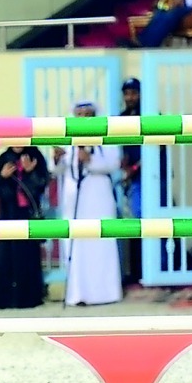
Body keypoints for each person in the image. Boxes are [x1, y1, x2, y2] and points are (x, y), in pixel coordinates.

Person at [51, 102, 122, 306]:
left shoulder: (106, 136)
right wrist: (57, 159)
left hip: (98, 197)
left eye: (87, 114)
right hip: (74, 200)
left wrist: (90, 159)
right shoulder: (67, 139)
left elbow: (114, 163)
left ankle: (105, 294)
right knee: (76, 242)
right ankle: (78, 294)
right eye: (79, 114)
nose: (83, 118)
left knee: (101, 241)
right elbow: (56, 171)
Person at [0, 145, 50, 309]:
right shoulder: (4, 158)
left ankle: (29, 299)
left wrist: (30, 172)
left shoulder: (35, 155)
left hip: (28, 215)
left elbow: (41, 184)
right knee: (4, 256)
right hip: (8, 214)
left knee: (28, 256)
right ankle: (5, 299)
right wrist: (3, 176)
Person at [118, 78, 142, 287]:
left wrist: (134, 169)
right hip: (130, 182)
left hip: (151, 179)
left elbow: (156, 149)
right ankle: (135, 273)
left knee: (154, 225)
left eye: (134, 93)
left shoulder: (151, 115)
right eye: (127, 93)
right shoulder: (122, 119)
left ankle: (148, 273)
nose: (130, 97)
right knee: (135, 226)